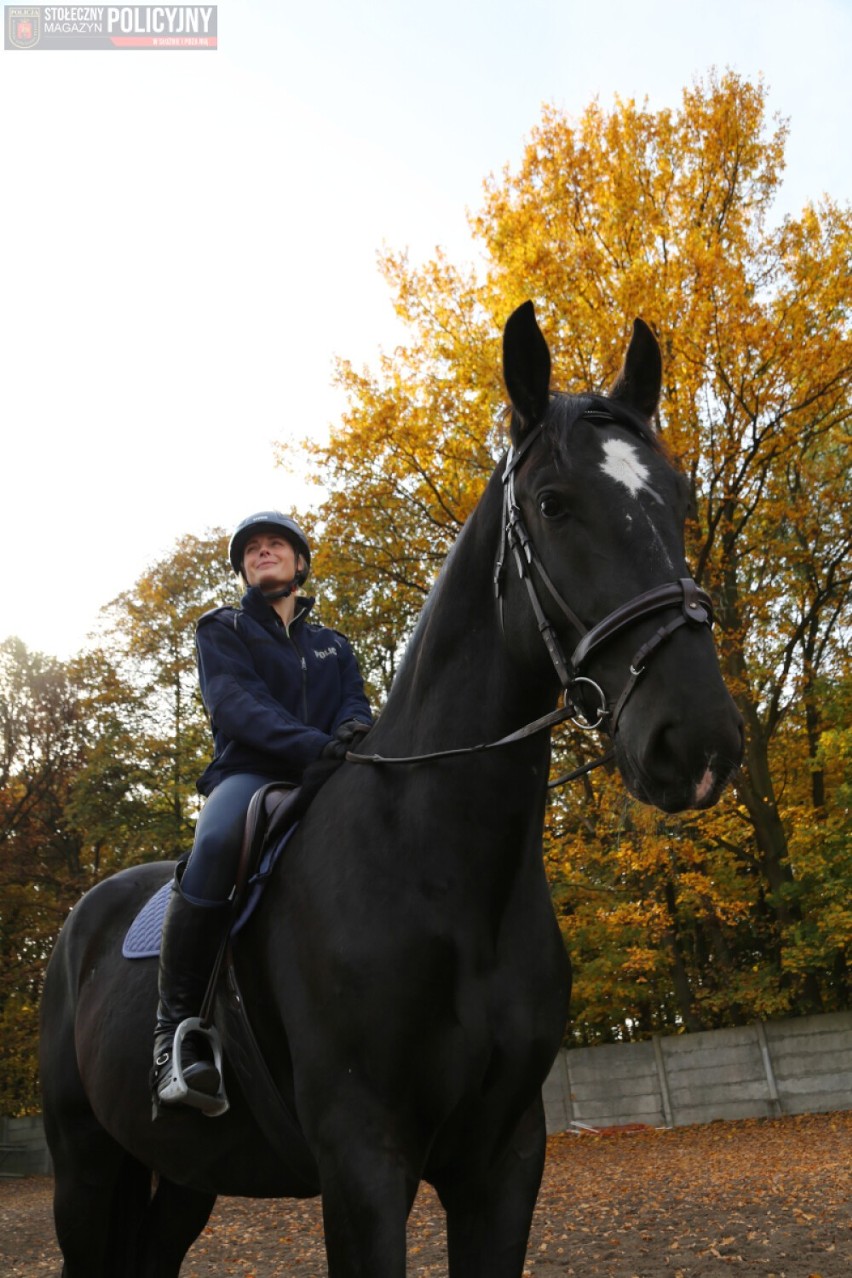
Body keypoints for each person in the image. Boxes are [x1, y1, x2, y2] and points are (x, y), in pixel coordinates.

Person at [151, 510, 372, 1114]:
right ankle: (173, 1036)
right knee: (219, 841)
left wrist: (354, 736)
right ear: (245, 570)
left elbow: (355, 705)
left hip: (332, 771)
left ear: (300, 564)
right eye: (251, 550)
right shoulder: (221, 628)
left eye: (275, 545)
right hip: (249, 774)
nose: (262, 552)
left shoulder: (334, 645)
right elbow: (235, 705)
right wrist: (314, 746)